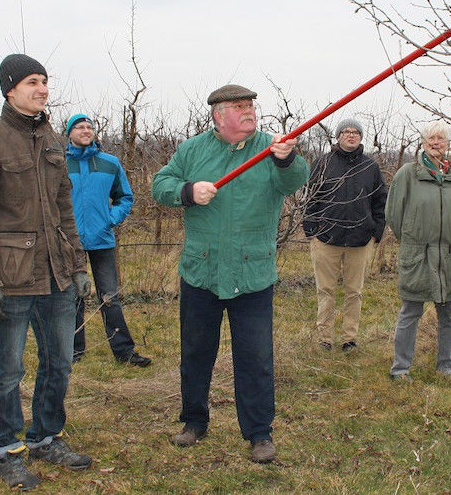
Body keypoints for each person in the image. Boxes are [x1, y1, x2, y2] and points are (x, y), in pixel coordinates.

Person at [152, 84, 308, 464]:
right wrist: (188, 191)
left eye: (251, 105)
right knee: (195, 352)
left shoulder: (272, 148)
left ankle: (259, 432)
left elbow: (295, 180)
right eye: (239, 107)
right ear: (218, 116)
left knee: (255, 356)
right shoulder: (192, 150)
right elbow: (161, 184)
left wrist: (286, 159)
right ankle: (193, 422)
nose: (249, 111)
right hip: (201, 271)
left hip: (251, 273)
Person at [0, 54, 93, 490]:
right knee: (6, 370)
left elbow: (64, 211)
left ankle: (46, 436)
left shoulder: (53, 140)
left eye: (45, 81)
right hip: (11, 276)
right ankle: (6, 450)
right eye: (33, 81)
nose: (42, 88)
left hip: (56, 273)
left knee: (59, 363)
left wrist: (78, 266)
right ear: (10, 88)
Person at [64, 114, 151, 366]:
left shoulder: (109, 163)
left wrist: (109, 219)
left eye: (90, 126)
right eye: (79, 127)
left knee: (109, 297)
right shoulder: (58, 164)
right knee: (72, 298)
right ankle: (72, 352)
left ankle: (124, 352)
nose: (86, 130)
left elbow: (125, 197)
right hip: (70, 243)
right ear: (69, 133)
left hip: (102, 240)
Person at [386, 122, 451, 381]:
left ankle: (447, 366)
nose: (436, 143)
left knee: (449, 314)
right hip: (418, 256)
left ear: (447, 145)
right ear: (423, 143)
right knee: (411, 312)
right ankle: (401, 368)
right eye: (431, 138)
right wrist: (413, 240)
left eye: (441, 139)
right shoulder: (408, 174)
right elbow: (394, 215)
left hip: (449, 256)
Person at [302, 117, 387, 352]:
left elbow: (381, 200)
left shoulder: (370, 167)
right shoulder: (323, 163)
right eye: (346, 131)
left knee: (354, 292)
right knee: (325, 290)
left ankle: (349, 338)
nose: (351, 135)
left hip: (360, 241)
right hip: (326, 239)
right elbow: (311, 198)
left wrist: (376, 232)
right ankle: (324, 338)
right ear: (338, 136)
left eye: (356, 132)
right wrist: (312, 230)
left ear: (360, 137)